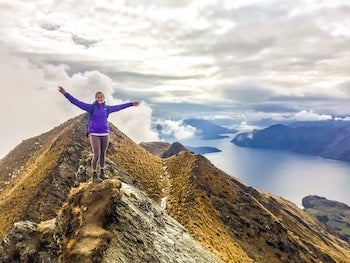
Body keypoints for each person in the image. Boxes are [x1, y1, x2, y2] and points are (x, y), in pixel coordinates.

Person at [58, 86, 140, 183]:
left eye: (101, 97)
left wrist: (131, 104)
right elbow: (76, 102)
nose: (100, 99)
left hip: (105, 133)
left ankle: (102, 172)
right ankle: (94, 175)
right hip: (94, 134)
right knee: (96, 154)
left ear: (103, 98)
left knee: (103, 154)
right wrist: (65, 94)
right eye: (98, 97)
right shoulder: (91, 107)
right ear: (96, 98)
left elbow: (119, 107)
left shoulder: (107, 108)